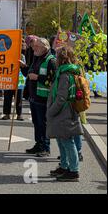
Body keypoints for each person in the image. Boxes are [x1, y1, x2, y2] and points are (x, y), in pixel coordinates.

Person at [47, 46, 83, 182]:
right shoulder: (68, 71)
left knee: (67, 141)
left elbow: (61, 97)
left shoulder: (65, 75)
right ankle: (64, 165)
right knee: (61, 139)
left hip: (64, 112)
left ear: (61, 59)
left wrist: (51, 111)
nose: (55, 59)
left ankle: (73, 170)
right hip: (66, 111)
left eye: (57, 57)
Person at [21, 38, 57, 157]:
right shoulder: (37, 58)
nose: (34, 48)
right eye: (34, 46)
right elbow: (29, 74)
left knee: (43, 123)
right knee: (36, 122)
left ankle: (45, 147)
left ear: (45, 48)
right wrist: (23, 67)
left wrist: (37, 78)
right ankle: (38, 144)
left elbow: (54, 80)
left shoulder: (51, 61)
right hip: (34, 96)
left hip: (44, 97)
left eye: (37, 46)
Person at [2, 38, 27, 121]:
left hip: (19, 79)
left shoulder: (22, 56)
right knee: (7, 97)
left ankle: (19, 114)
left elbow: (24, 66)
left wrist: (22, 64)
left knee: (18, 97)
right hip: (9, 78)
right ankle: (6, 113)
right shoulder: (7, 55)